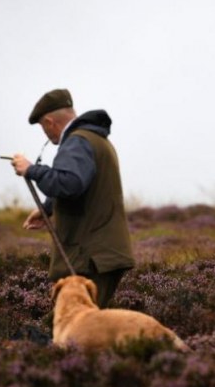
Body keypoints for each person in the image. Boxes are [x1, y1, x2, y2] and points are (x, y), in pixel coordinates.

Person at [10, 88, 135, 308]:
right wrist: (49, 208)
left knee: (75, 331)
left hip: (89, 257)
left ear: (49, 122)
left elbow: (70, 183)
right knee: (92, 326)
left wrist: (31, 170)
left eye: (42, 127)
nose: (45, 134)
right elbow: (83, 186)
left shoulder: (77, 142)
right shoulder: (96, 139)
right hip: (102, 254)